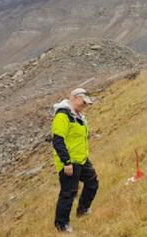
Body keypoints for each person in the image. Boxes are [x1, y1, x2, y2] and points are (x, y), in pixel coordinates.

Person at [51, 88, 98, 233]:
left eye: (86, 103)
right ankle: (62, 225)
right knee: (68, 193)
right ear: (74, 98)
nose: (84, 105)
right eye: (83, 102)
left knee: (92, 182)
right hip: (69, 162)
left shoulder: (79, 116)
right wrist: (67, 162)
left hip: (82, 159)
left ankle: (83, 210)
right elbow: (58, 140)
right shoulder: (62, 115)